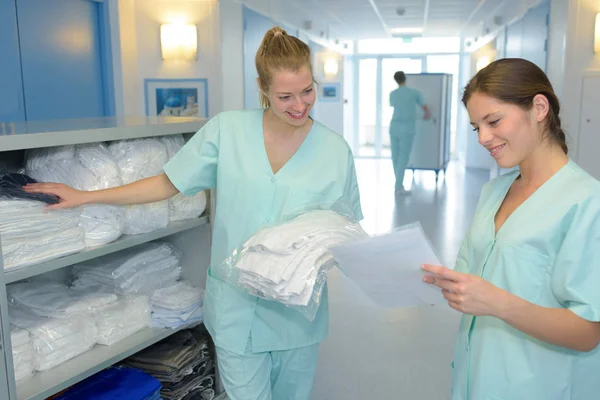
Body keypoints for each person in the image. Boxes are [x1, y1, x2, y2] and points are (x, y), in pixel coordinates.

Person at [24, 27, 363, 400]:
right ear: (262, 88)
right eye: (285, 96)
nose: (299, 105)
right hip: (237, 307)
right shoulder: (227, 130)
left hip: (297, 316)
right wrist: (87, 195)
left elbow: (343, 229)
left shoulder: (335, 151)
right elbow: (167, 183)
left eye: (307, 91)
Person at [421, 58, 600, 399]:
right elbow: (475, 275)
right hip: (479, 375)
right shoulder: (494, 191)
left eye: (493, 121)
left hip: (541, 384)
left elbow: (588, 331)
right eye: (476, 128)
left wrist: (496, 302)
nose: (484, 138)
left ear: (539, 107)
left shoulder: (587, 203)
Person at [388, 71, 431, 195]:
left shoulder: (393, 94)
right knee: (403, 157)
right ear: (405, 79)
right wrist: (427, 115)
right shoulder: (414, 93)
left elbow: (393, 106)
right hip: (407, 128)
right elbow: (425, 107)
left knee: (395, 157)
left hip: (394, 127)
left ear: (395, 80)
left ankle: (398, 184)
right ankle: (398, 186)